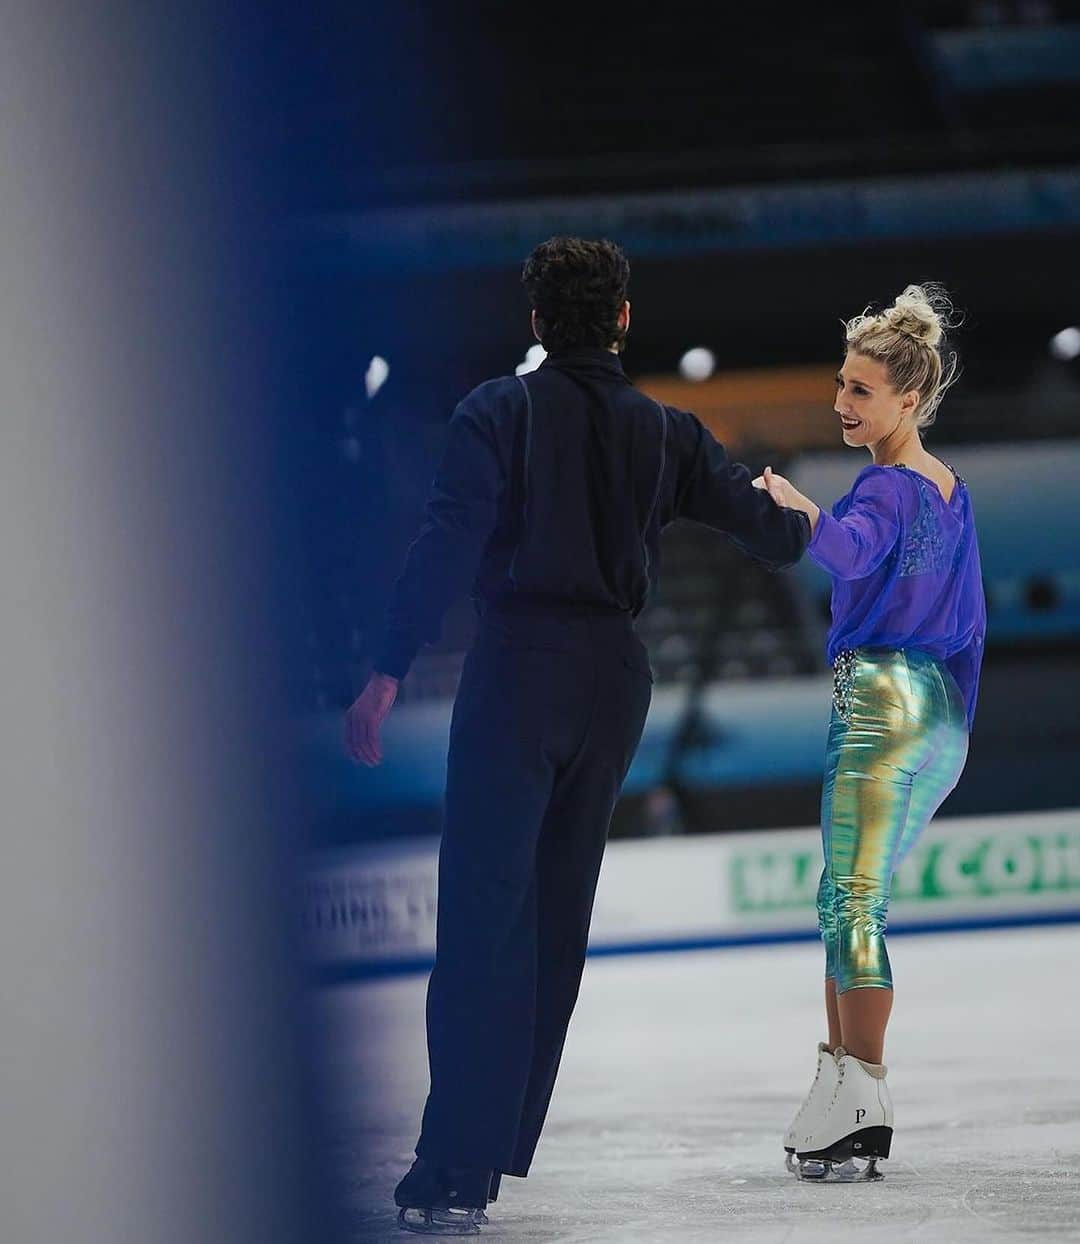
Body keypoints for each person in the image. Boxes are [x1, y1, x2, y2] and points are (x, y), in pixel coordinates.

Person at [344, 236, 811, 1233]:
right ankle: (490, 1148)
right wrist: (800, 515)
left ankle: (454, 1162)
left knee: (482, 921)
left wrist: (386, 667)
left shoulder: (496, 412)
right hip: (613, 681)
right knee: (554, 923)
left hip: (520, 671)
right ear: (625, 319)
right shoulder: (670, 432)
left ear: (535, 324)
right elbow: (764, 528)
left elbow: (445, 542)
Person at [753, 284, 986, 1182]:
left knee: (852, 901)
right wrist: (953, 725)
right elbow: (969, 624)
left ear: (909, 400)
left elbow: (847, 550)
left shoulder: (886, 486)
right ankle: (839, 1086)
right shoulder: (951, 491)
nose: (842, 404)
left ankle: (863, 1095)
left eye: (859, 390)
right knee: (844, 899)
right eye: (841, 386)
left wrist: (796, 506)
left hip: (882, 699)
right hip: (937, 714)